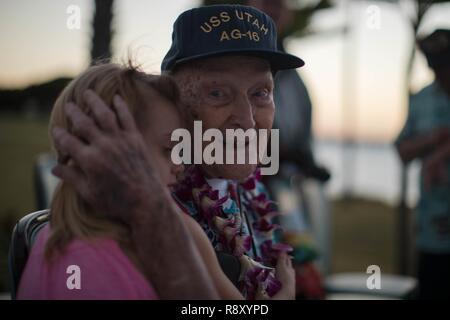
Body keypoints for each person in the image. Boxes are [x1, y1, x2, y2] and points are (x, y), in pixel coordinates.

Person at [18, 62, 218, 299]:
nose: (180, 166)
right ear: (103, 154)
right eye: (168, 149)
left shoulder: (135, 242)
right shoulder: (86, 268)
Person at [162, 4, 302, 299]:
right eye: (217, 93)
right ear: (174, 104)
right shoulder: (157, 209)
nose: (248, 120)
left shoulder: (252, 192)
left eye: (260, 93)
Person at [395, 29, 450, 300]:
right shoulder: (422, 99)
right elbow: (402, 151)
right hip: (431, 231)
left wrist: (441, 154)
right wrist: (434, 140)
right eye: (438, 67)